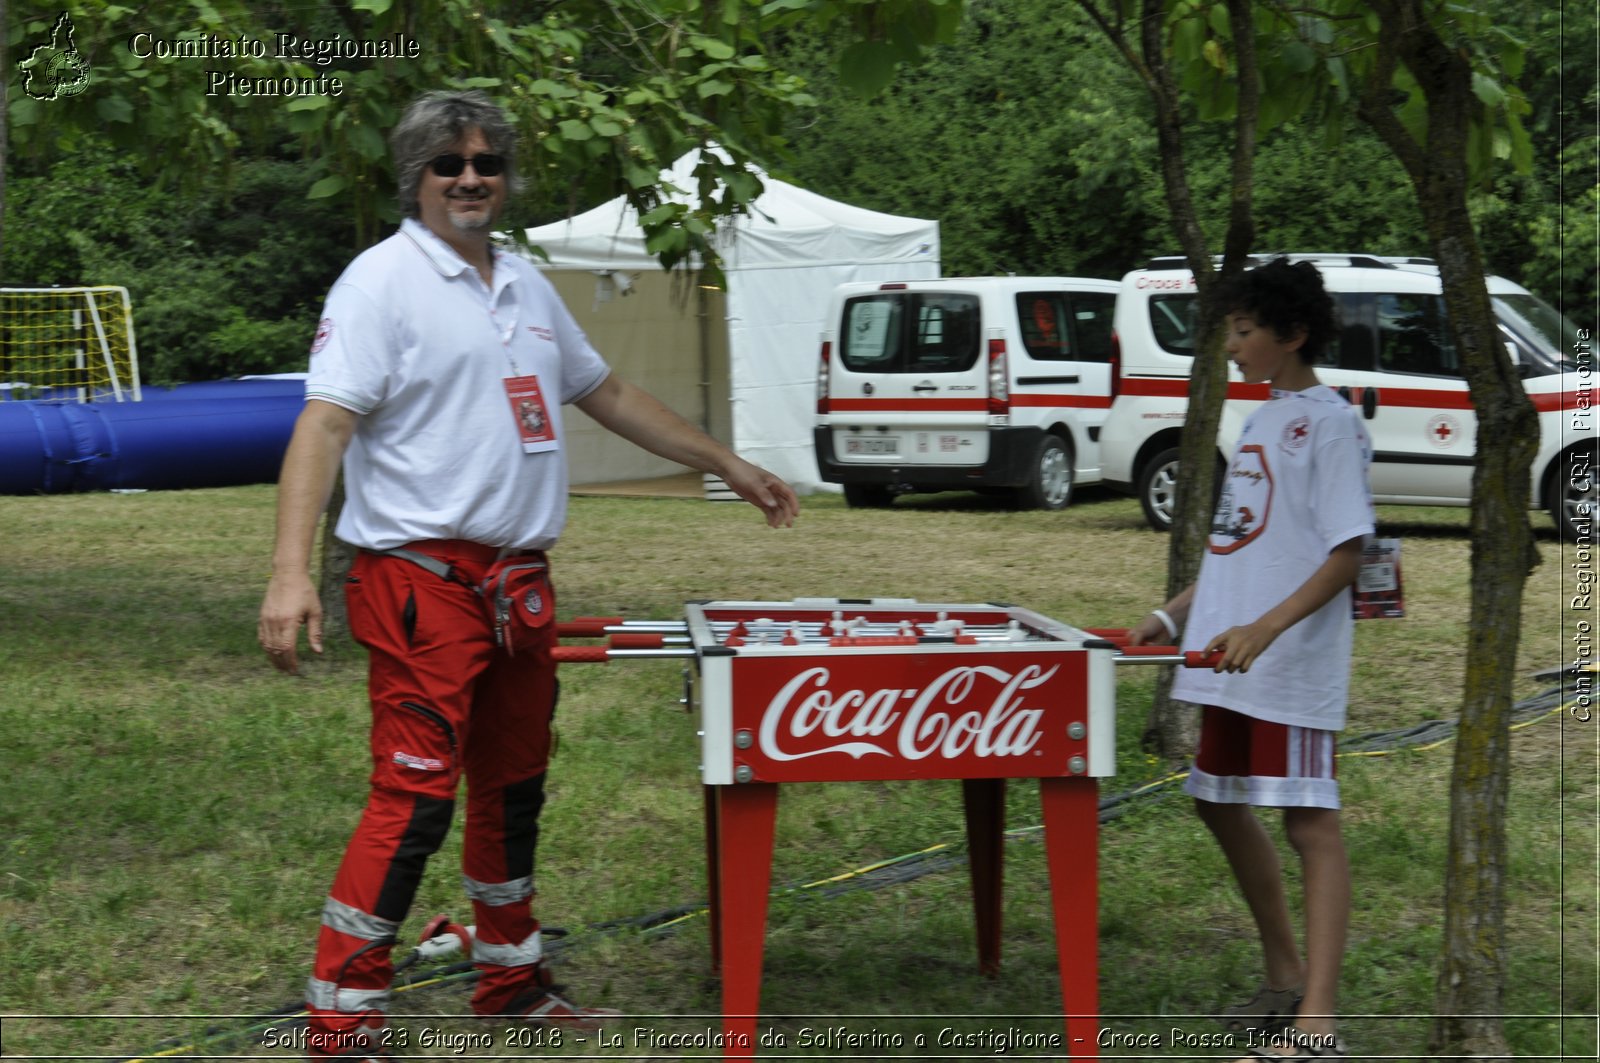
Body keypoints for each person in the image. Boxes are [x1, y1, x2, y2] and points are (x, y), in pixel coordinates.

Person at [257, 89, 799, 1060]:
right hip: (419, 580)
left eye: (486, 162)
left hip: (518, 582)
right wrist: (288, 572)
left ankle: (509, 981)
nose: (470, 178)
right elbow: (324, 424)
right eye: (447, 164)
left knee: (514, 788)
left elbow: (609, 393)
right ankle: (341, 1016)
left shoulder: (525, 283)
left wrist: (724, 461)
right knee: (415, 797)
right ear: (413, 179)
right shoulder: (378, 284)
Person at [1127, 259, 1370, 1061]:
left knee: (1311, 822)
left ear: (1291, 334)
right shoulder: (1262, 418)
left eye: (1242, 331)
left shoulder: (1331, 423)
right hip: (1229, 661)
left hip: (1288, 663)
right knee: (1215, 800)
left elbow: (1347, 554)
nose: (1230, 347)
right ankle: (1284, 974)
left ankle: (1318, 1027)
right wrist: (1171, 615)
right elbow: (1241, 546)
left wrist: (1265, 628)